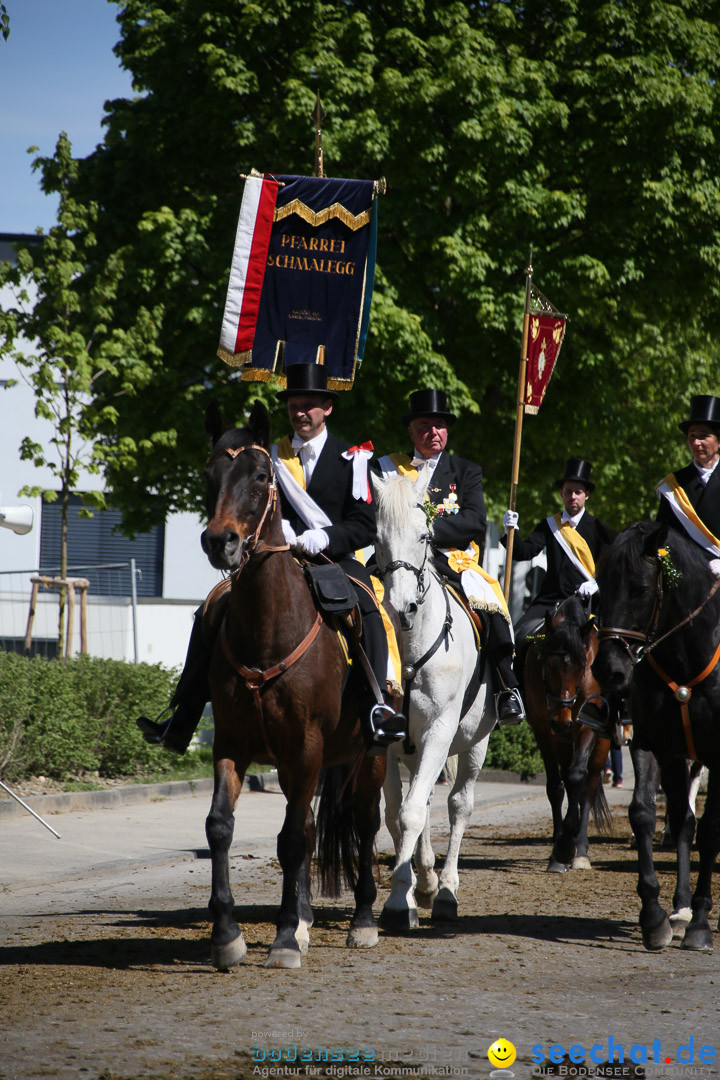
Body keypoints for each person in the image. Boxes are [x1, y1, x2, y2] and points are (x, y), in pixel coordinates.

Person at [137, 363, 406, 755]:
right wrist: (285, 534)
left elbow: (365, 525)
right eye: (295, 404)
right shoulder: (266, 457)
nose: (301, 411)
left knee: (370, 607)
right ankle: (184, 714)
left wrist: (323, 536)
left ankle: (379, 707)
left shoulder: (355, 458)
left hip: (336, 559)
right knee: (211, 607)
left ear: (327, 407)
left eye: (309, 404)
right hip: (277, 554)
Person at [375, 388, 524, 726]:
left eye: (439, 425)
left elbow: (472, 520)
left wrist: (422, 529)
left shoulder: (465, 471)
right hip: (399, 559)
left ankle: (505, 688)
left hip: (450, 559)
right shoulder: (389, 469)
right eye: (425, 426)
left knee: (490, 607)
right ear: (411, 432)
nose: (433, 432)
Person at [501, 458, 616, 653]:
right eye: (568, 491)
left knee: (610, 646)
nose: (573, 496)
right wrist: (510, 531)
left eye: (578, 492)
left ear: (586, 495)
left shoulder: (599, 528)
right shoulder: (549, 525)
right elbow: (524, 552)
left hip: (586, 601)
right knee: (517, 638)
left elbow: (614, 565)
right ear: (561, 494)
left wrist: (597, 583)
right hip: (550, 599)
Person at [656, 394, 720, 567]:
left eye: (703, 436)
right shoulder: (674, 485)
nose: (696, 442)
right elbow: (663, 534)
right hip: (688, 574)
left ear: (718, 440)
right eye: (692, 436)